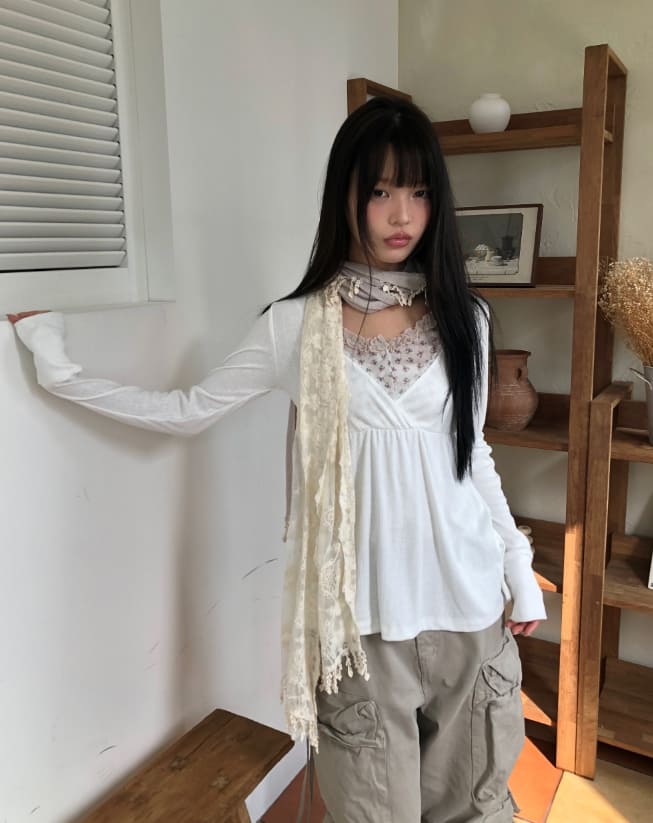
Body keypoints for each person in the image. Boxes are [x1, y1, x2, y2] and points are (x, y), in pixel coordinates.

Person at [9, 96, 545, 823]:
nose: (401, 215)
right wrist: (59, 370)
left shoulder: (465, 318)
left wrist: (517, 569)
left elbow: (472, 454)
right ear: (345, 196)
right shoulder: (295, 326)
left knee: (476, 812)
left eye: (418, 192)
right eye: (380, 191)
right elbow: (187, 410)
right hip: (361, 632)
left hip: (470, 614)